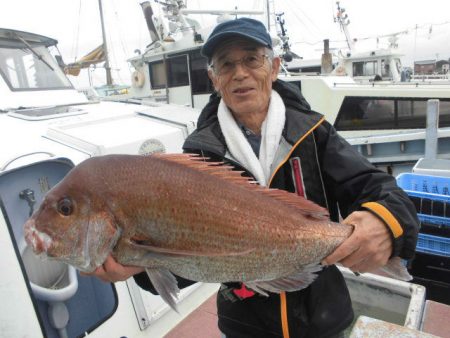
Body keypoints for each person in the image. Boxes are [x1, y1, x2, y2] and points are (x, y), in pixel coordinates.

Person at [87, 18, 419, 338]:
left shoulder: (314, 133)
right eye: (227, 65)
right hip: (246, 325)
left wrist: (386, 224)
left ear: (273, 67)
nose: (240, 73)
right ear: (214, 79)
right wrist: (141, 266)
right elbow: (191, 257)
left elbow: (381, 189)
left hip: (323, 317)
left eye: (251, 59)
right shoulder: (198, 154)